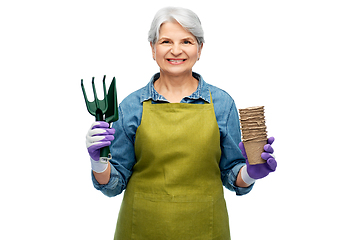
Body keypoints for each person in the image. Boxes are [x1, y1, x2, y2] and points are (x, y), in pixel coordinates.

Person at [85, 6, 277, 240]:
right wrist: (98, 162)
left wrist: (249, 173)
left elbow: (231, 175)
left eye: (186, 41)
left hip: (205, 229)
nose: (176, 51)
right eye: (166, 41)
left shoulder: (222, 104)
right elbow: (114, 184)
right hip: (141, 229)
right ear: (152, 48)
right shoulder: (131, 106)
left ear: (200, 49)